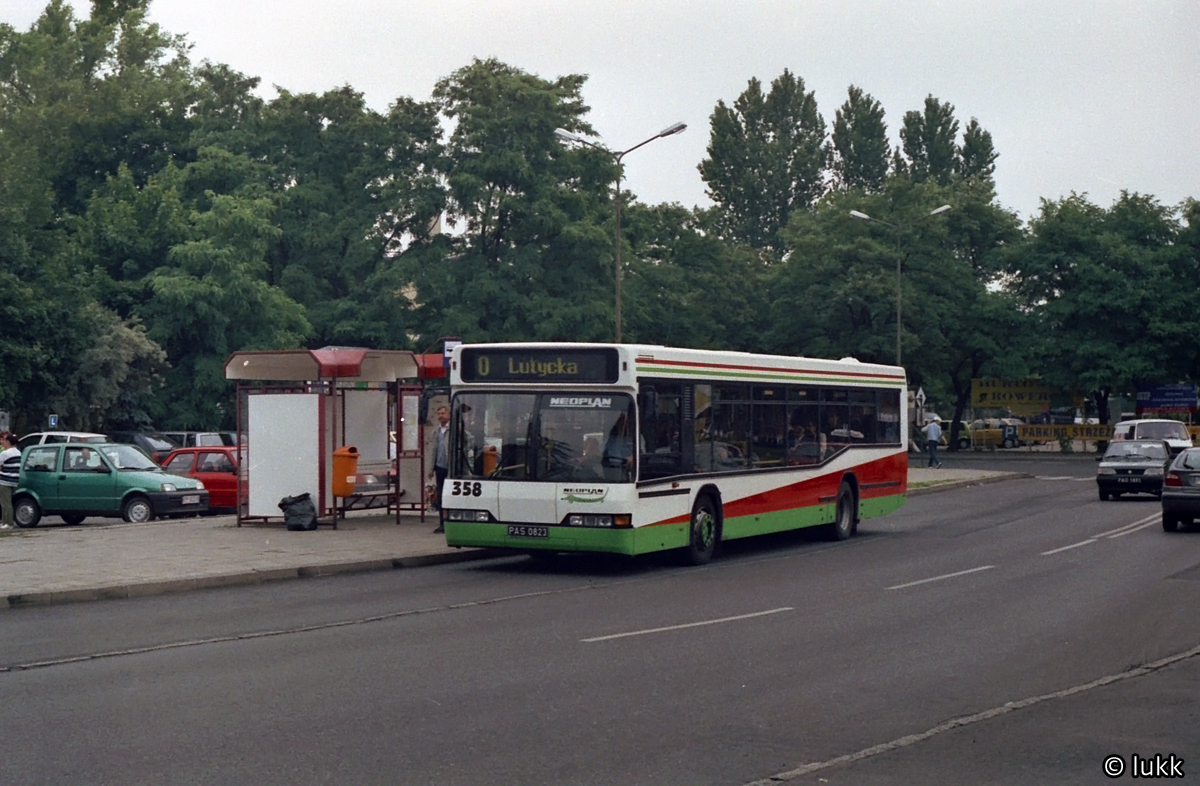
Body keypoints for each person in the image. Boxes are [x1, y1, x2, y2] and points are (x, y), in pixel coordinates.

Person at [428, 406, 450, 533]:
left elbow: (468, 440)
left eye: (443, 413)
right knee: (441, 495)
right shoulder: (436, 431)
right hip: (440, 467)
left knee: (449, 495)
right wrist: (431, 468)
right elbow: (433, 450)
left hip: (451, 467)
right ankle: (442, 522)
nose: (440, 416)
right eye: (439, 413)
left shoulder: (453, 429)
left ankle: (450, 521)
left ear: (448, 414)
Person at [0, 431, 19, 529]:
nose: (2, 442)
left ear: (8, 441)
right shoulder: (17, 452)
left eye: (3, 440)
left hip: (4, 480)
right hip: (14, 480)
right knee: (9, 502)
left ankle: (8, 523)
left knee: (5, 503)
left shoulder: (5, 453)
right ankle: (5, 522)